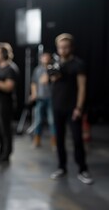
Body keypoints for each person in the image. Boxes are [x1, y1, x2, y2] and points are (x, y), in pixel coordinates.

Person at [49, 33, 93, 184]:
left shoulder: (78, 64)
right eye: (60, 47)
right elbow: (47, 80)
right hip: (57, 106)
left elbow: (82, 87)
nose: (63, 50)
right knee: (59, 139)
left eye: (66, 47)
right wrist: (51, 72)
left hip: (72, 107)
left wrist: (79, 108)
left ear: (71, 48)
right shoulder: (55, 64)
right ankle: (62, 167)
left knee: (77, 139)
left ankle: (82, 169)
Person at [30, 52, 57, 150]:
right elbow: (34, 82)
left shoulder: (53, 69)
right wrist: (34, 93)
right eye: (43, 56)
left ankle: (54, 142)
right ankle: (37, 140)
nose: (45, 58)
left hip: (51, 98)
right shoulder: (38, 70)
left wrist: (49, 77)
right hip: (40, 98)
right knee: (38, 120)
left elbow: (56, 80)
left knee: (52, 121)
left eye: (47, 56)